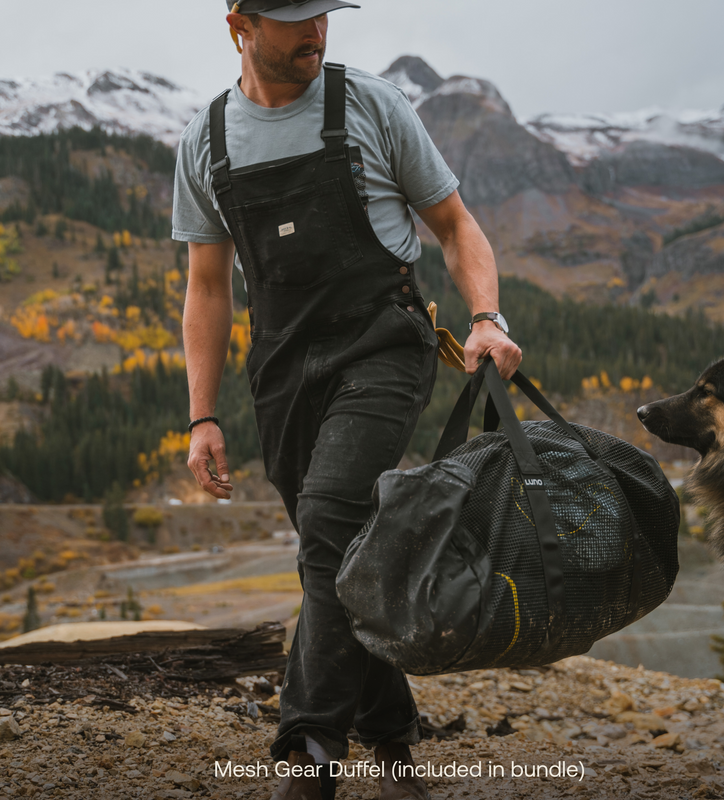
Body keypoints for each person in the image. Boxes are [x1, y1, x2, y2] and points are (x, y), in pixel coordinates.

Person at [173, 1, 522, 798]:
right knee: (344, 553)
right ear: (241, 24)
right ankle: (394, 736)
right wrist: (201, 415)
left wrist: (485, 317)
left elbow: (456, 225)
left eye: (323, 14)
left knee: (330, 520)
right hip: (282, 372)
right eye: (295, 18)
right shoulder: (207, 140)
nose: (316, 32)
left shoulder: (370, 105)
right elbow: (205, 289)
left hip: (382, 348)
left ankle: (310, 754)